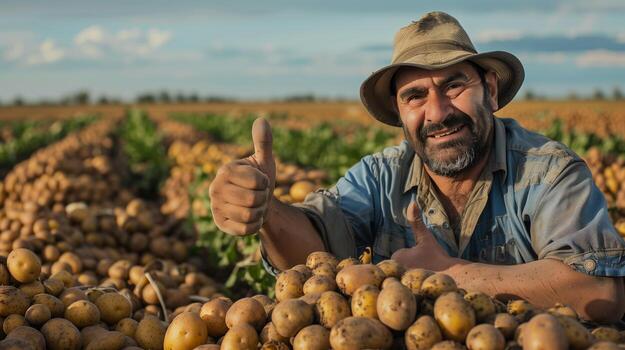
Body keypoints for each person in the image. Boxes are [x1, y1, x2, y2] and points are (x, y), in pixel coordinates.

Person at [208, 11, 625, 322]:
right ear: (400, 111)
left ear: (491, 91)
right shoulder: (378, 177)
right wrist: (269, 213)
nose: (438, 112)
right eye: (415, 96)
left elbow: (598, 291)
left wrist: (448, 274)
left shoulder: (548, 172)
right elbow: (316, 251)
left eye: (454, 85)